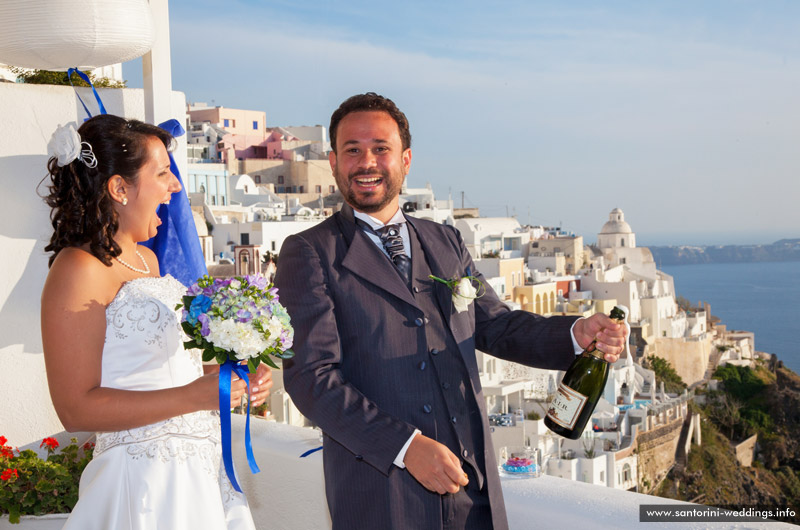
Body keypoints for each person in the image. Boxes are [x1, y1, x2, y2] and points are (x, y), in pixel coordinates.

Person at [274, 92, 628, 530]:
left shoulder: (445, 241)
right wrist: (406, 446)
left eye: (381, 149)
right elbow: (312, 378)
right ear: (333, 161)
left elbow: (495, 326)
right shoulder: (308, 252)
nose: (367, 162)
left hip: (473, 493)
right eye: (352, 150)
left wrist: (576, 334)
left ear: (405, 160)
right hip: (384, 498)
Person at [39, 114, 272, 529]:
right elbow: (75, 409)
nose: (175, 186)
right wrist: (195, 396)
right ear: (119, 188)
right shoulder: (78, 269)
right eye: (163, 173)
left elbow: (153, 367)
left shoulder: (147, 260)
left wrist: (224, 378)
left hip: (199, 473)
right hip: (143, 483)